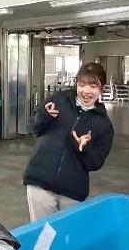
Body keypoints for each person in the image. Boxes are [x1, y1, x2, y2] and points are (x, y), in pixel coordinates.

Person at [23, 62, 114, 222]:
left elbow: (96, 162)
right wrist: (44, 115)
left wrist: (85, 148)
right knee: (42, 237)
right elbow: (33, 128)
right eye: (82, 85)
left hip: (72, 191)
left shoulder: (104, 125)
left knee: (67, 238)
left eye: (93, 86)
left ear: (102, 88)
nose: (86, 91)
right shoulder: (59, 100)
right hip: (40, 181)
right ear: (76, 83)